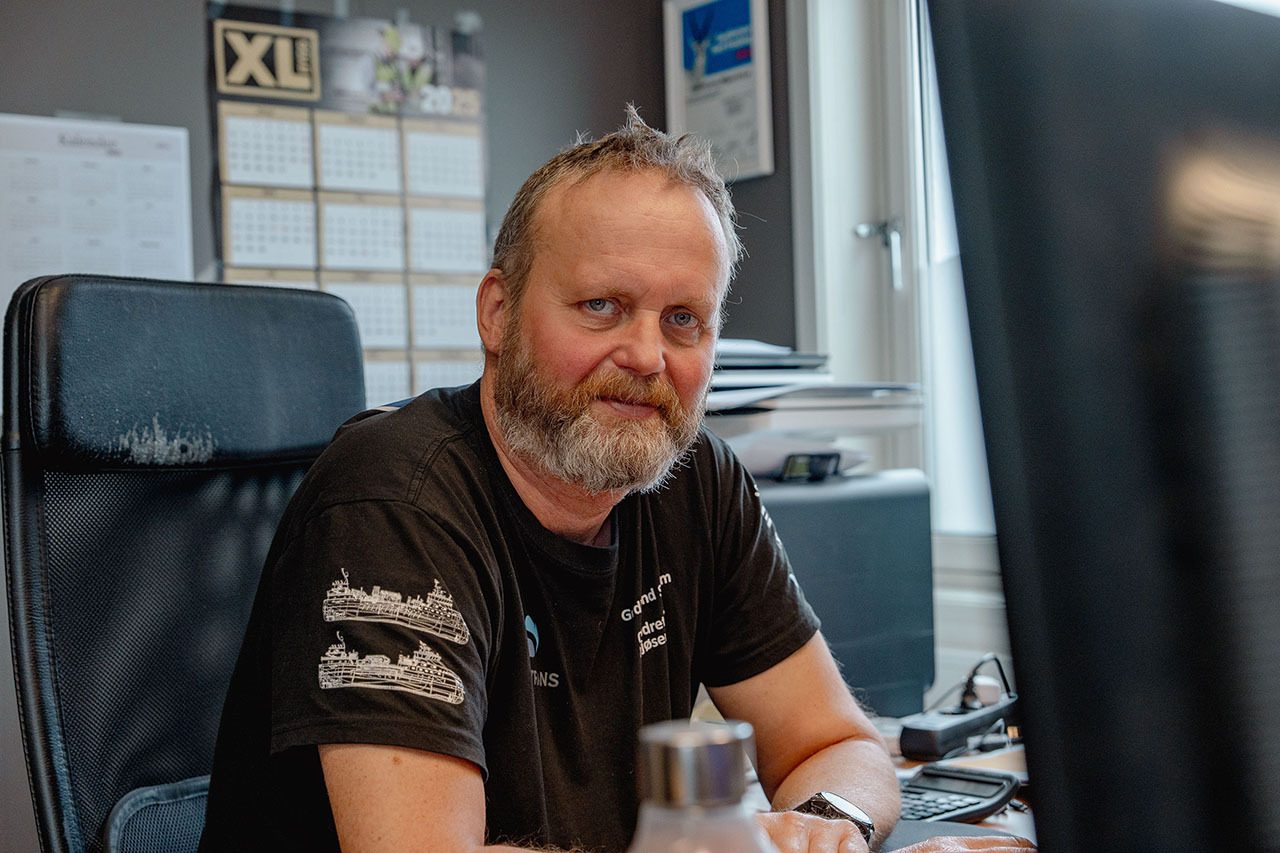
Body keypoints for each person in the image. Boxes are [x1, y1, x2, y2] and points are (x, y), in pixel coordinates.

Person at [201, 107, 1034, 853]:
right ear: (497, 313)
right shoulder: (395, 498)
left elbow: (836, 743)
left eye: (684, 320)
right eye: (602, 305)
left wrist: (825, 827)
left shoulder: (694, 479)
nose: (646, 357)